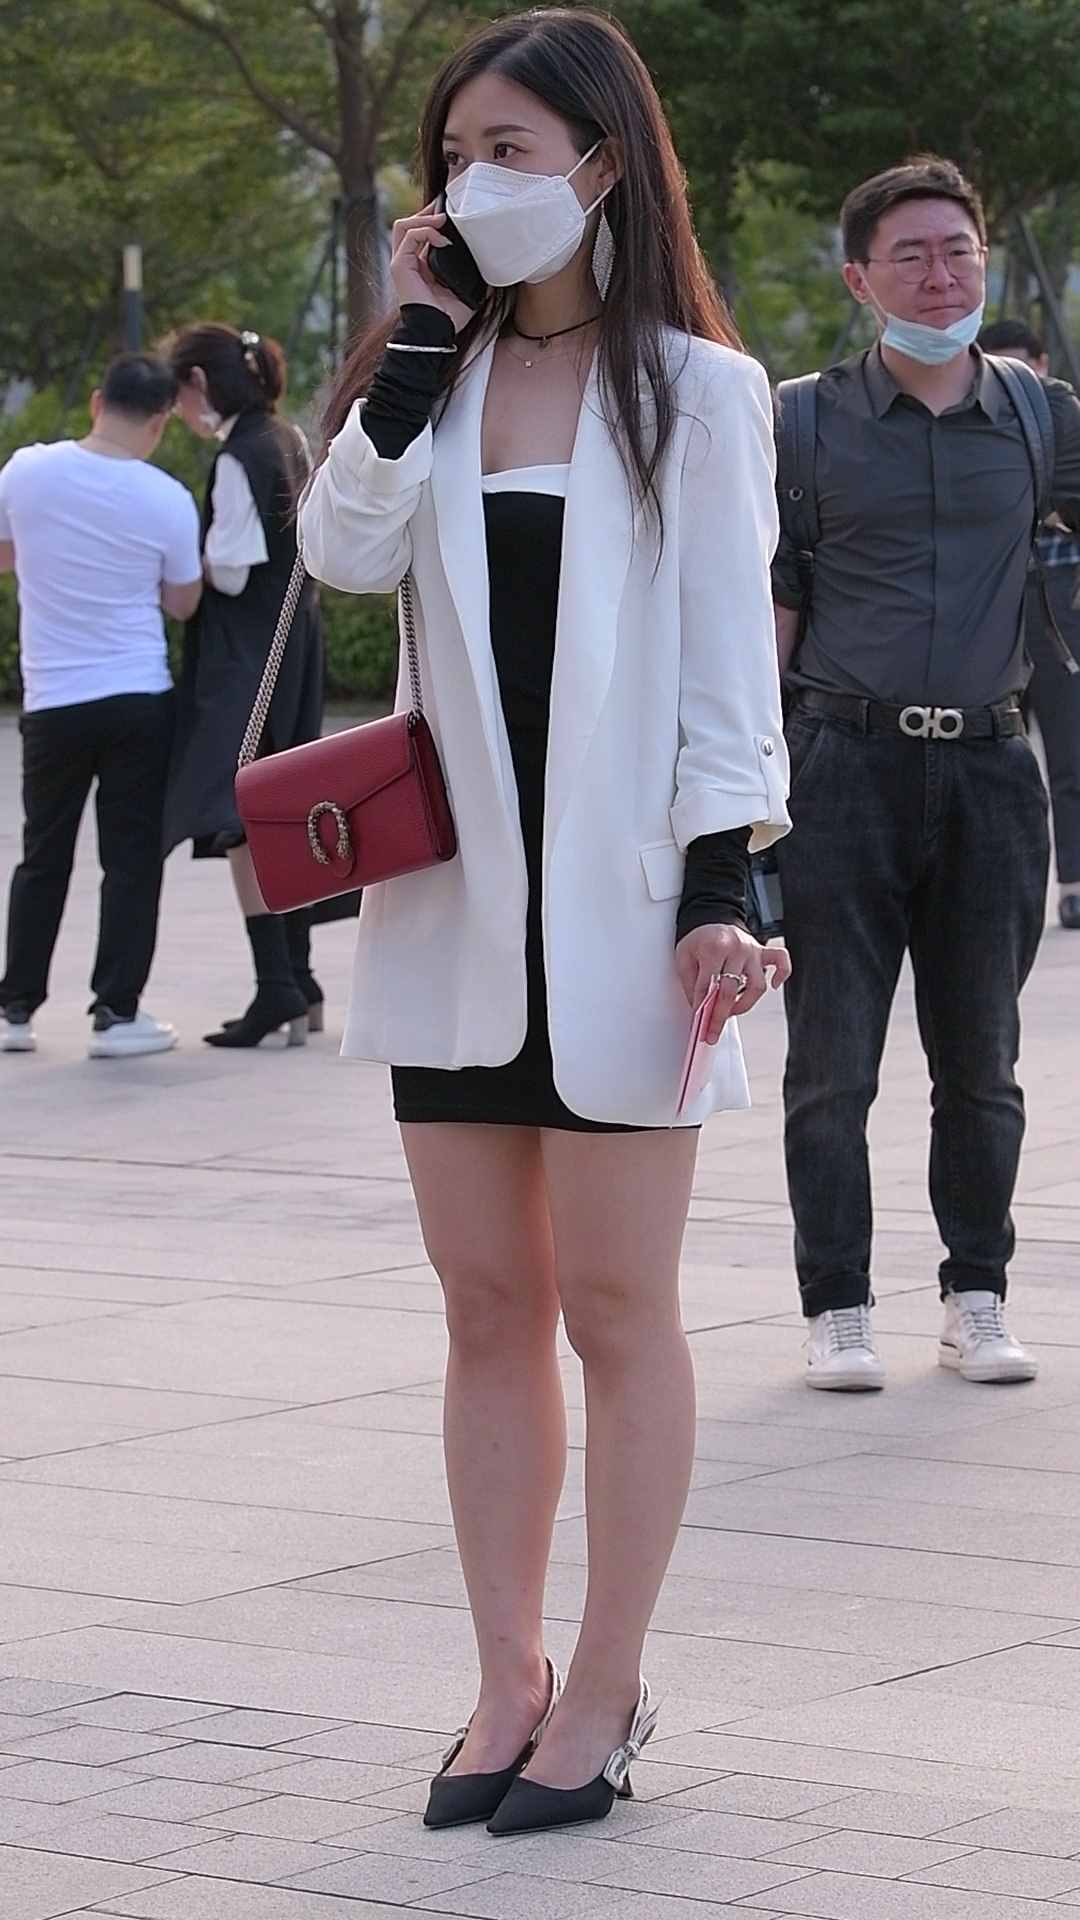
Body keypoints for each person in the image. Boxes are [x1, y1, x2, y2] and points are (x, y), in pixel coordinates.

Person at [300, 5, 790, 1839]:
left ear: (601, 161)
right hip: (452, 908)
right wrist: (419, 351)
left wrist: (724, 892)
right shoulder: (428, 377)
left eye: (508, 149)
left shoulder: (699, 390)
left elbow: (730, 673)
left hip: (632, 917)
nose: (473, 182)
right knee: (486, 1302)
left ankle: (605, 1683)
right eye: (454, 153)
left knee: (616, 1305)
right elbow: (342, 560)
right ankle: (503, 1675)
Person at [773, 156, 1080, 1393]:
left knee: (983, 1065)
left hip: (996, 771)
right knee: (830, 1066)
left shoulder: (1043, 417)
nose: (941, 274)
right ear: (860, 279)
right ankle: (838, 1306)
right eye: (910, 254)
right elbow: (769, 607)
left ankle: (977, 1297)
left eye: (959, 250)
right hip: (842, 767)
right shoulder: (801, 421)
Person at [0, 353, 200, 1057]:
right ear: (160, 421)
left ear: (95, 402)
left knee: (42, 855)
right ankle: (117, 1013)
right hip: (137, 697)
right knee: (131, 859)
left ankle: (14, 1010)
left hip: (53, 699)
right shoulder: (167, 498)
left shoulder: (26, 471)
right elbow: (183, 602)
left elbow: (4, 552)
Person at [163, 323, 325, 1048]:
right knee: (287, 810)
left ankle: (277, 987)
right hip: (294, 647)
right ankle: (300, 978)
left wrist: (178, 559)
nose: (179, 409)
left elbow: (229, 571)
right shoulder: (288, 438)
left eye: (179, 393)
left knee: (243, 819)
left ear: (199, 383)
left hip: (243, 658)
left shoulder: (237, 454)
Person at [979, 318, 1080, 931]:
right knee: (992, 760)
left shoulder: (1063, 424)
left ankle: (1074, 882)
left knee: (1070, 753)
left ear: (1042, 364)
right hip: (993, 613)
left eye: (1024, 366)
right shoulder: (973, 432)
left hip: (1062, 610)